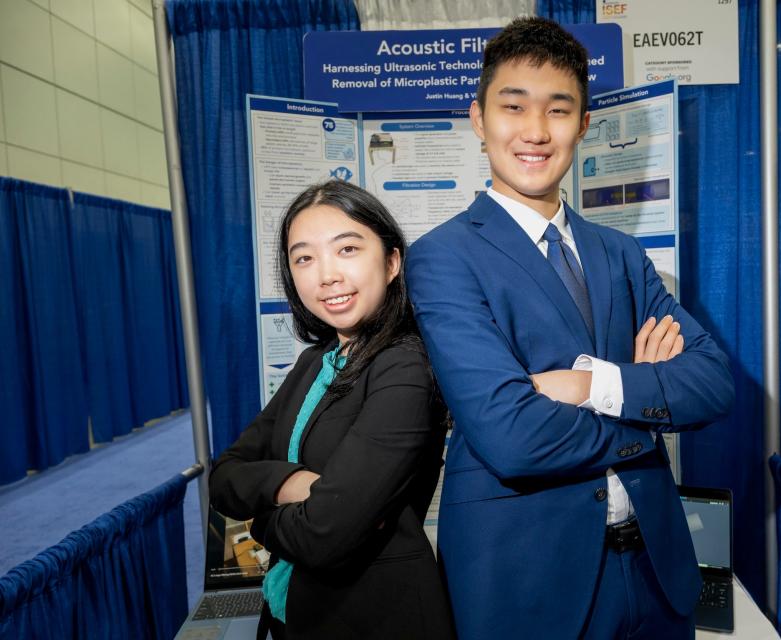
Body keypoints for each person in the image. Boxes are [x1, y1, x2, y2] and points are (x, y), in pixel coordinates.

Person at [406, 16, 735, 640]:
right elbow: (509, 435)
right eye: (513, 106)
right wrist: (647, 406)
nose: (535, 131)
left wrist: (593, 386)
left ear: (584, 125)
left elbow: (713, 381)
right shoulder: (442, 257)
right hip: (527, 582)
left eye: (558, 110)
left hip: (656, 571)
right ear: (478, 119)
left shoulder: (621, 255)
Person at [209, 180, 455, 640]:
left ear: (391, 262)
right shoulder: (315, 361)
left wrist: (259, 516)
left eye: (346, 250)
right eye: (304, 258)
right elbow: (223, 476)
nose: (326, 275)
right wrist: (291, 483)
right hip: (292, 611)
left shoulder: (406, 365)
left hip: (371, 618)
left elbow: (325, 536)